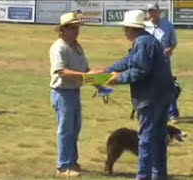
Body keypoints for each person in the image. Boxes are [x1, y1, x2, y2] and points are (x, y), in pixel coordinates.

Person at [105, 10, 175, 180]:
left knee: (146, 139)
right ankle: (159, 174)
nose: (124, 32)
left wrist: (118, 78)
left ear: (131, 29)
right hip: (162, 96)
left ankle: (143, 176)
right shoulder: (146, 41)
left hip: (151, 99)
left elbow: (140, 70)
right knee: (158, 138)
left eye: (125, 29)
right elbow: (128, 61)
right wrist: (107, 71)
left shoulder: (143, 43)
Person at [49, 12, 92, 177]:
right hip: (62, 93)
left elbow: (85, 70)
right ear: (63, 30)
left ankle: (73, 161)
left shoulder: (77, 46)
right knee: (65, 130)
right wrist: (85, 77)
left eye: (77, 28)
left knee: (75, 129)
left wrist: (99, 82)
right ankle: (63, 166)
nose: (76, 31)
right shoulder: (58, 47)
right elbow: (62, 72)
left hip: (74, 91)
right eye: (73, 28)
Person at [145, 3, 180, 123]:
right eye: (149, 12)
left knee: (167, 87)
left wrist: (170, 48)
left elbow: (173, 42)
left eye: (154, 11)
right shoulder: (145, 26)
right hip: (148, 61)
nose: (151, 14)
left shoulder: (168, 26)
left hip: (163, 61)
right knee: (148, 86)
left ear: (159, 12)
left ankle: (173, 113)